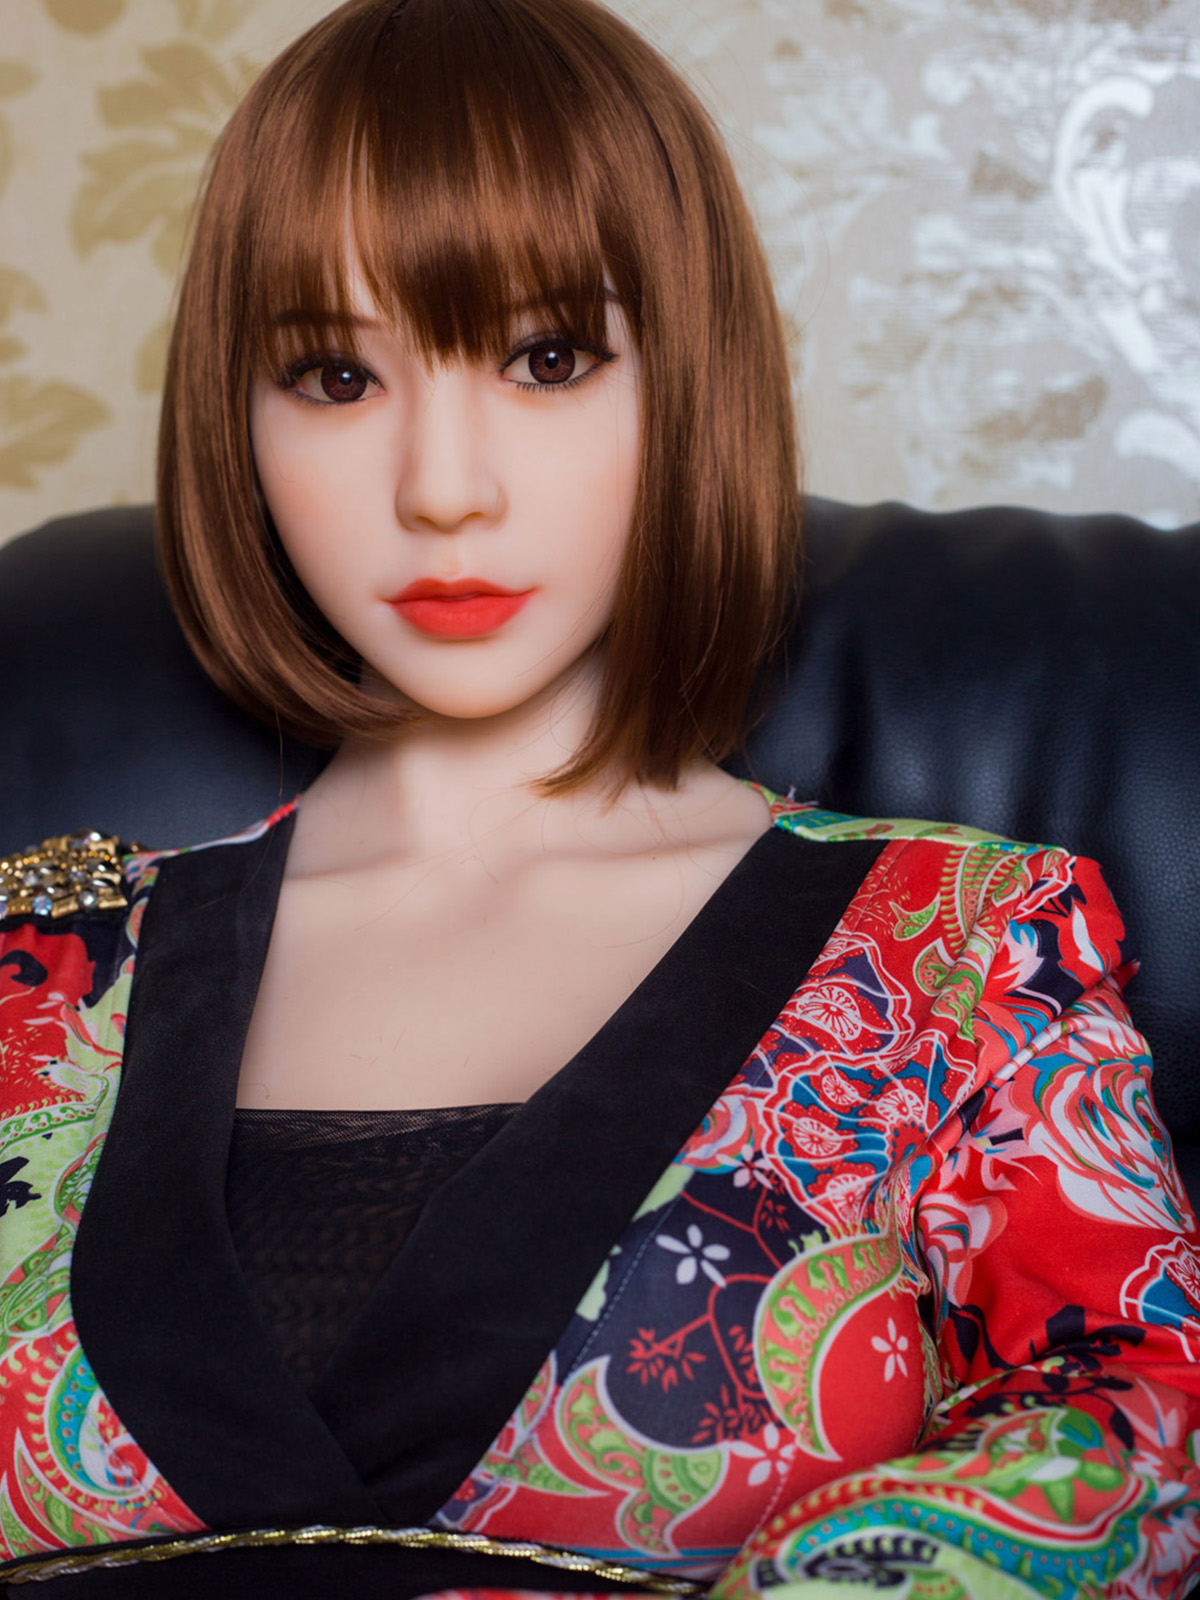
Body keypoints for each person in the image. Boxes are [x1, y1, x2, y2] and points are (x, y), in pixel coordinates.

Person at [1, 0, 1199, 1596]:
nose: (443, 487)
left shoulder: (961, 948)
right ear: (239, 420)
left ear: (686, 380)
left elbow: (1139, 1441)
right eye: (335, 375)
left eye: (545, 358)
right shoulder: (37, 976)